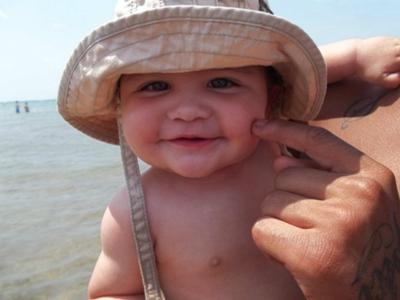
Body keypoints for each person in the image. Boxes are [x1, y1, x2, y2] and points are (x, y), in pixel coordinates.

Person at [57, 1, 400, 299]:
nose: (187, 111)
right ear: (120, 108)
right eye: (155, 85)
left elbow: (299, 71)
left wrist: (356, 54)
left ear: (273, 98)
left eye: (221, 83)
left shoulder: (282, 146)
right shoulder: (135, 211)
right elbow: (112, 291)